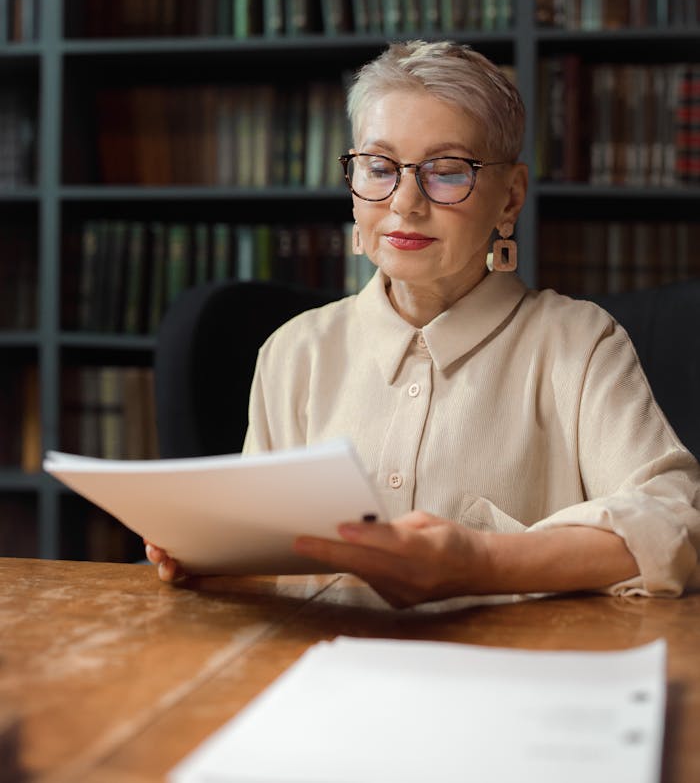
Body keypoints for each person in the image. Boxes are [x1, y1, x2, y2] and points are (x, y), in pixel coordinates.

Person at [147, 40, 700, 607]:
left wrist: (480, 562)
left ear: (509, 199)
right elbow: (262, 552)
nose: (405, 203)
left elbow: (677, 526)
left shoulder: (579, 344)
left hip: (507, 678)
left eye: (446, 172)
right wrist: (208, 553)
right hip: (322, 673)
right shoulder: (294, 351)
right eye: (380, 168)